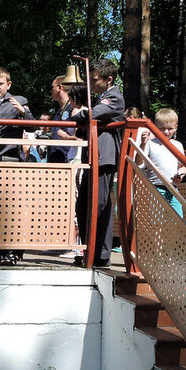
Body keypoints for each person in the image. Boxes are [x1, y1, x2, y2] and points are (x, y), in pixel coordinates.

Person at [74, 58, 125, 267]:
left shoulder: (114, 97)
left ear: (108, 79)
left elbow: (93, 115)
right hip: (93, 156)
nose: (90, 84)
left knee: (100, 205)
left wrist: (80, 113)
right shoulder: (101, 97)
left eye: (94, 80)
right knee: (84, 204)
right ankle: (90, 250)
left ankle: (101, 256)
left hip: (104, 158)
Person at [139, 108, 185, 217]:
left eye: (170, 129)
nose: (166, 132)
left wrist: (181, 175)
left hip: (173, 189)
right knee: (156, 221)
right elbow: (139, 162)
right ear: (155, 127)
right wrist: (143, 144)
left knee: (179, 219)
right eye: (162, 128)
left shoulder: (178, 145)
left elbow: (182, 166)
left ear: (175, 128)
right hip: (154, 188)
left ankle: (175, 234)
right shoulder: (150, 144)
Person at [46, 75, 79, 164]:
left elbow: (80, 138)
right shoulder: (59, 110)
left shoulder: (74, 109)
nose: (51, 90)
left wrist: (65, 137)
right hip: (54, 160)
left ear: (60, 87)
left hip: (67, 160)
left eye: (52, 87)